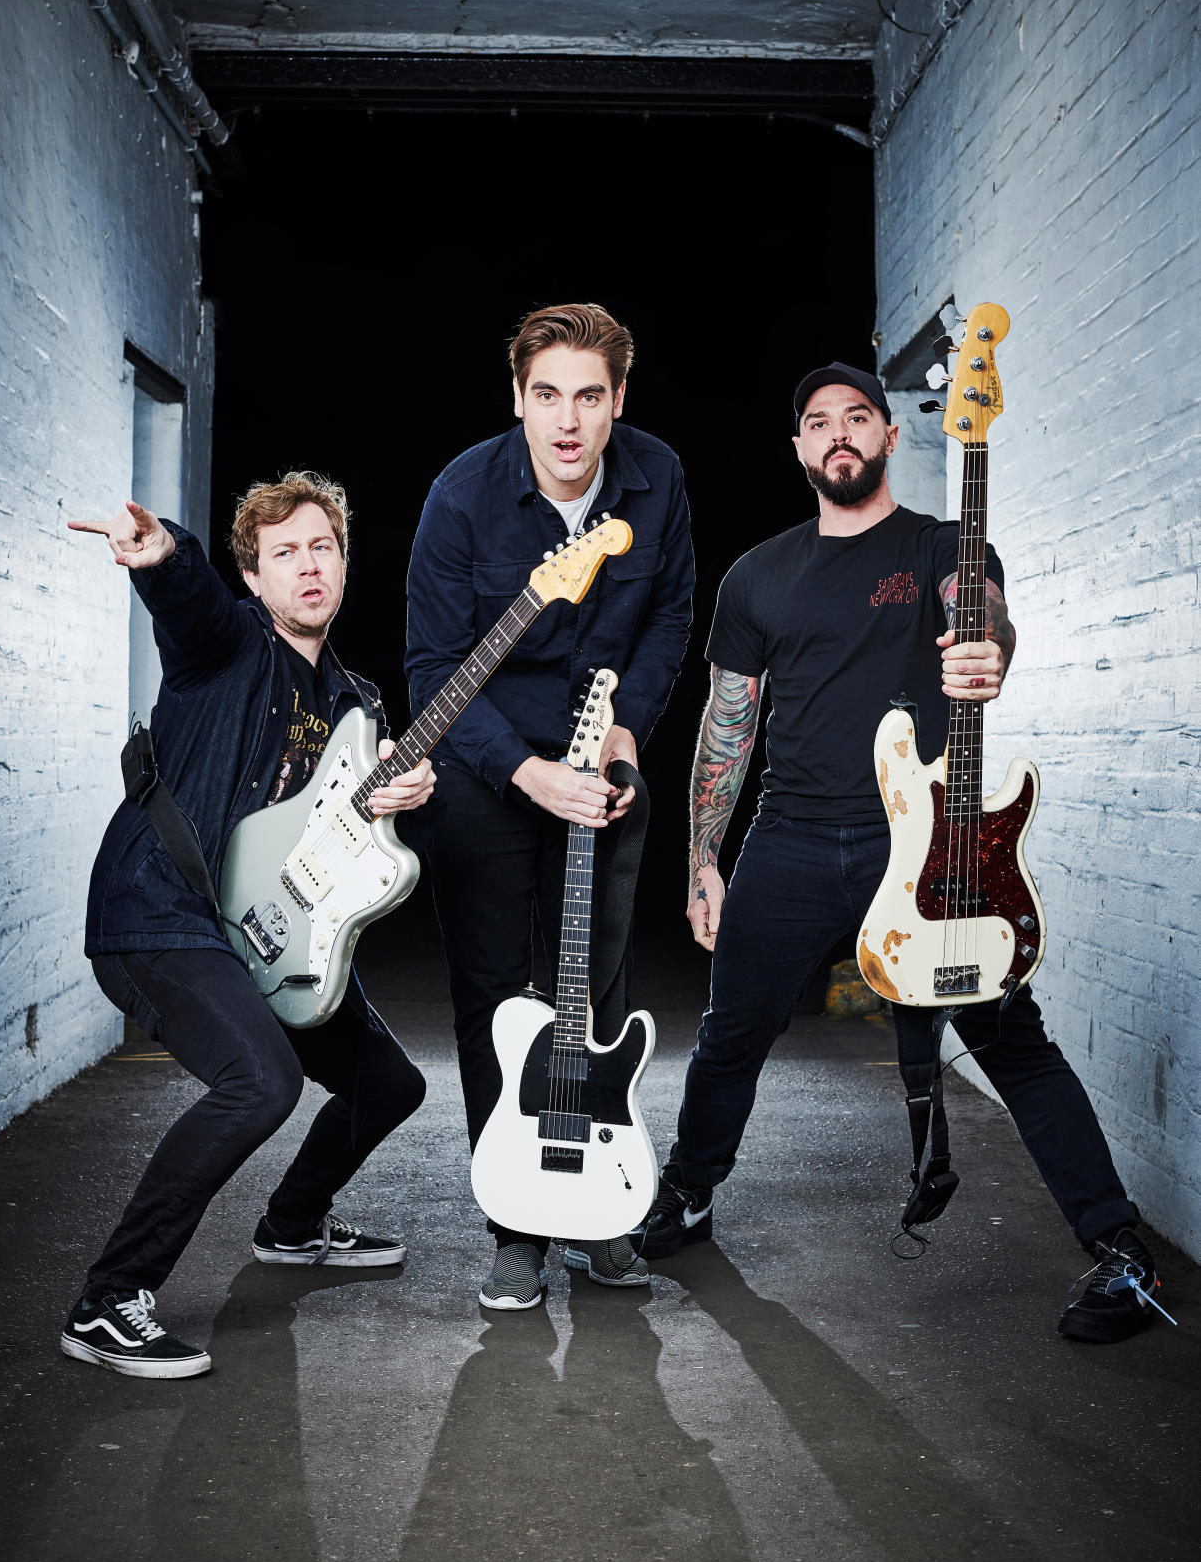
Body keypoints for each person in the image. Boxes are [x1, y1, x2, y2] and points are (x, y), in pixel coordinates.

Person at [634, 362, 1165, 1344]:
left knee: (1014, 1044)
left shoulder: (940, 550)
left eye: (858, 418)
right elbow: (726, 726)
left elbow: (985, 613)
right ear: (799, 448)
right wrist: (704, 860)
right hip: (789, 841)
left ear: (885, 436)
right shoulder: (757, 575)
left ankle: (1118, 1248)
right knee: (731, 1035)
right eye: (819, 422)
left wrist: (989, 648)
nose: (839, 434)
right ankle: (689, 1194)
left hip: (924, 847)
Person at [62, 473, 435, 1378]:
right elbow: (188, 604)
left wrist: (402, 800)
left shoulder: (359, 701)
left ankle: (293, 1224)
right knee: (260, 1080)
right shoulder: (226, 645)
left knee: (389, 1084)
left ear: (344, 563)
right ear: (255, 576)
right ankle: (108, 1300)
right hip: (162, 914)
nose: (307, 566)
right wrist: (162, 557)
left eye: (323, 547)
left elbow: (345, 840)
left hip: (270, 934)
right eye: (284, 554)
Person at [405, 303, 694, 1310]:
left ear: (619, 401)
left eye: (588, 396)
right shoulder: (461, 496)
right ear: (517, 398)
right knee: (494, 1004)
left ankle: (602, 1213)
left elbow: (669, 619)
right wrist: (526, 771)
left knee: (595, 992)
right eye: (545, 396)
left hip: (603, 751)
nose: (566, 422)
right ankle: (518, 1227)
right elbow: (434, 667)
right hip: (492, 771)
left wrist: (628, 732)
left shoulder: (659, 483)